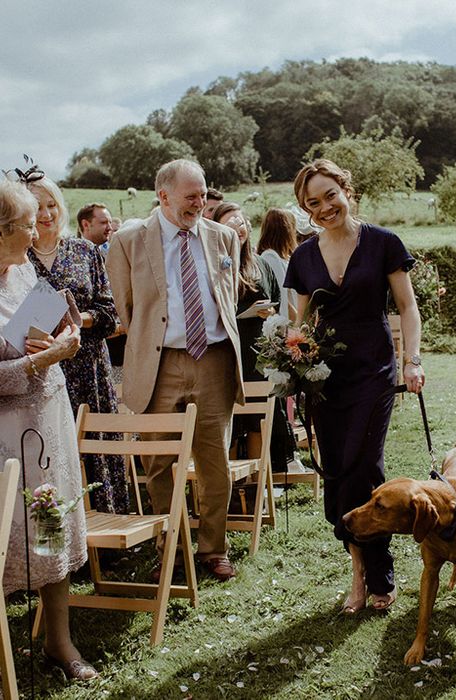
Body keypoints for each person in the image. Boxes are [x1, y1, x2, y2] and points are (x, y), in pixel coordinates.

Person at [285, 158, 425, 614]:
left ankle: (371, 578)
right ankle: (361, 570)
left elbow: (407, 306)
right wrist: (293, 361)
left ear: (347, 189)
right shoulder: (304, 257)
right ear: (305, 209)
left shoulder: (384, 242)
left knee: (364, 466)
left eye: (331, 195)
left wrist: (412, 360)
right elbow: (299, 324)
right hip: (327, 380)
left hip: (374, 372)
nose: (325, 207)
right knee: (340, 473)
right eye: (313, 203)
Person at [106, 159, 244, 582]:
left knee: (213, 459)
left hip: (214, 359)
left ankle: (213, 549)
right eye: (191, 196)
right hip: (159, 362)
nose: (199, 203)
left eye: (203, 194)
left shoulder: (223, 237)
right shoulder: (128, 240)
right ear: (163, 195)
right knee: (159, 460)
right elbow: (124, 306)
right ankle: (173, 544)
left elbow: (230, 292)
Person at [0, 179, 97, 680]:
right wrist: (44, 361)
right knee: (9, 538)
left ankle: (60, 644)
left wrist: (67, 340)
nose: (36, 227)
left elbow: (42, 337)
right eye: (24, 222)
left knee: (50, 526)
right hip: (4, 441)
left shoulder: (21, 273)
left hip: (47, 425)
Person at [27, 176, 128, 514]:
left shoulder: (84, 250)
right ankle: (62, 535)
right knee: (51, 452)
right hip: (42, 370)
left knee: (98, 448)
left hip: (90, 369)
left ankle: (109, 532)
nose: (46, 214)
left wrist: (74, 318)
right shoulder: (16, 258)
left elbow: (109, 313)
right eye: (37, 207)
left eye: (52, 204)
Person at [211, 201, 298, 472]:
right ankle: (231, 482)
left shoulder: (260, 263)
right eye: (230, 223)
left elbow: (274, 299)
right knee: (233, 421)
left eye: (241, 221)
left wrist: (268, 313)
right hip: (228, 349)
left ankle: (259, 479)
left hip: (257, 349)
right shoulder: (216, 264)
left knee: (258, 416)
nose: (238, 227)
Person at [257, 208, 299, 320]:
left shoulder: (286, 257)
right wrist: (299, 322)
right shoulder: (270, 257)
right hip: (288, 322)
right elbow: (283, 297)